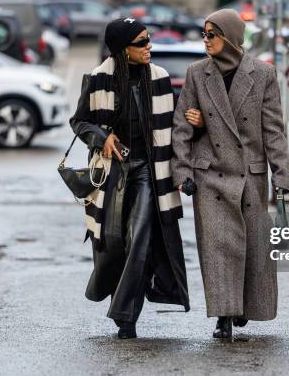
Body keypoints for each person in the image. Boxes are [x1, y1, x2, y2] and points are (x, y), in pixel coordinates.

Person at [171, 9, 289, 340]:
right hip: (209, 175)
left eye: (213, 34)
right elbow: (181, 126)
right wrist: (181, 171)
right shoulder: (197, 73)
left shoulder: (263, 75)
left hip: (250, 175)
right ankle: (224, 314)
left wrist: (282, 178)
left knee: (252, 248)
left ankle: (243, 307)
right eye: (204, 34)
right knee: (218, 248)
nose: (206, 40)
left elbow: (273, 131)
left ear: (231, 37)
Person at [70, 18, 189, 339]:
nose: (149, 46)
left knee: (140, 237)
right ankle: (125, 311)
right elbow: (79, 121)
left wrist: (195, 127)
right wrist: (101, 137)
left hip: (150, 173)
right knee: (116, 244)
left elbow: (176, 129)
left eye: (148, 40)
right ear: (123, 49)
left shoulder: (160, 78)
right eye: (142, 42)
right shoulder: (98, 79)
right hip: (112, 175)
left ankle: (125, 315)